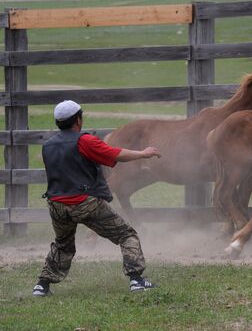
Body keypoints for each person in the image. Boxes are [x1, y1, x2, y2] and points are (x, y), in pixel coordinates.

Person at [32, 100, 161, 296]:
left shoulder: (48, 145)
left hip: (56, 204)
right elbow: (116, 154)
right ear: (78, 119)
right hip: (84, 203)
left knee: (63, 244)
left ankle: (42, 285)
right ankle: (137, 280)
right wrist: (143, 153)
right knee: (126, 235)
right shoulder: (84, 141)